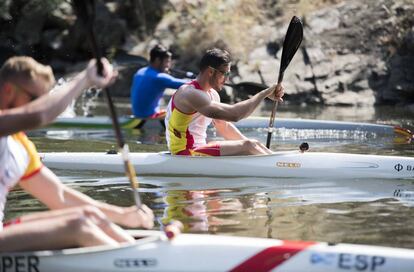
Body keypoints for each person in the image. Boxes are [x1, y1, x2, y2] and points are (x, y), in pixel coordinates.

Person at [0, 56, 154, 252]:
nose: (40, 105)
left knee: (90, 215)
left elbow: (61, 196)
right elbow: (41, 115)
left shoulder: (20, 145)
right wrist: (85, 79)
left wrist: (123, 214)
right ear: (8, 90)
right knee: (78, 226)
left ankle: (139, 255)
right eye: (35, 99)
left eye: (44, 99)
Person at [165, 48, 284, 156]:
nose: (227, 78)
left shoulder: (213, 94)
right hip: (183, 153)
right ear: (211, 71)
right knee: (249, 145)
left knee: (252, 144)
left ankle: (276, 159)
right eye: (225, 73)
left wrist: (253, 147)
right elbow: (235, 115)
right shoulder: (190, 93)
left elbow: (224, 126)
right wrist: (263, 94)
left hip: (198, 150)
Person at [130, 44, 188, 119]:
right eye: (167, 62)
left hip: (136, 116)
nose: (168, 65)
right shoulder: (159, 77)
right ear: (157, 60)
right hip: (150, 117)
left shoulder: (139, 72)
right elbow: (188, 85)